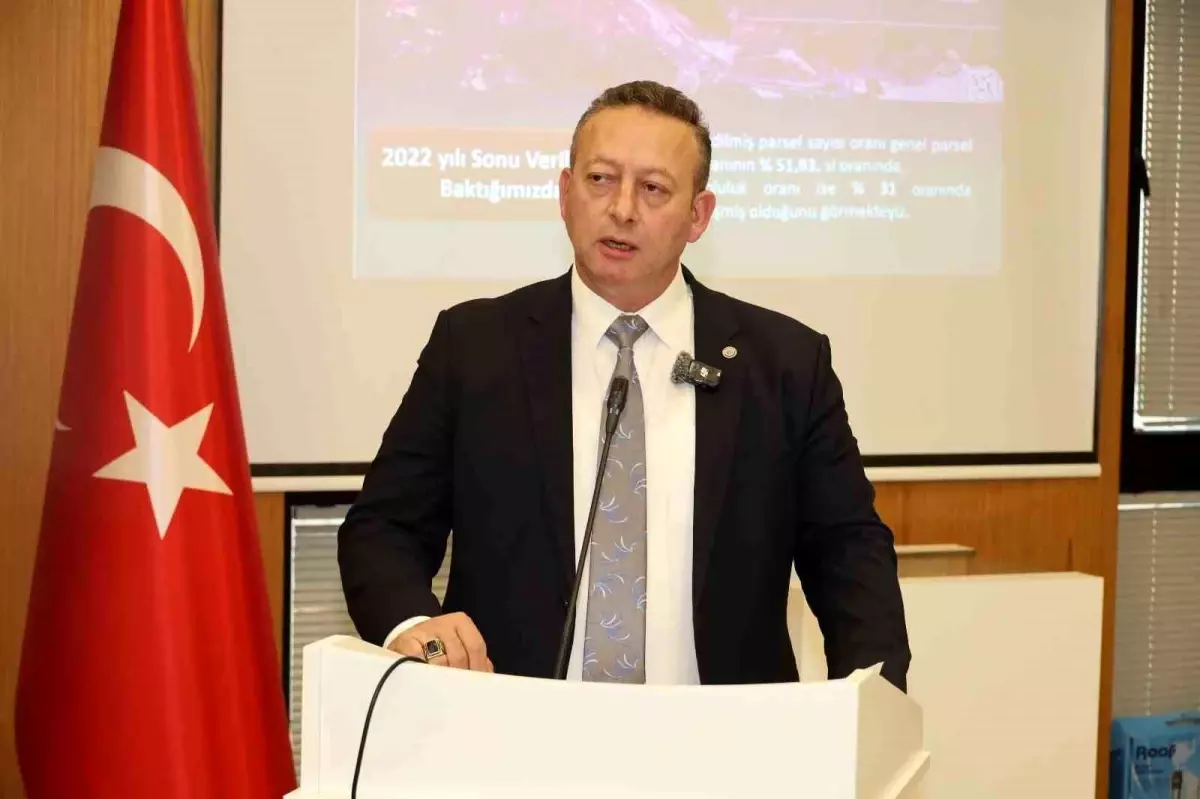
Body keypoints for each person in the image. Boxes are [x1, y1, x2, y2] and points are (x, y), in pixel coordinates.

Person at [338, 79, 910, 689]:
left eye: (654, 188)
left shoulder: (785, 364)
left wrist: (871, 700)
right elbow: (384, 528)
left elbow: (848, 551)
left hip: (725, 730)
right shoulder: (476, 347)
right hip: (513, 720)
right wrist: (414, 624)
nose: (623, 209)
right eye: (600, 179)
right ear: (565, 193)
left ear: (698, 215)